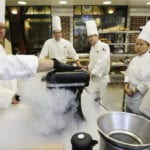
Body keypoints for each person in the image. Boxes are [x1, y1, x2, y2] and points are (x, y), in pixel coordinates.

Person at [0, 0, 80, 109]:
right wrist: (49, 65)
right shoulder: (48, 42)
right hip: (51, 68)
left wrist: (78, 65)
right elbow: (41, 57)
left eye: (3, 27)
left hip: (63, 68)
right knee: (55, 92)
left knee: (66, 92)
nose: (58, 34)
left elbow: (74, 55)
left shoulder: (66, 43)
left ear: (61, 32)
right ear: (53, 33)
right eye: (56, 33)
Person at [124, 21, 150, 118]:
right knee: (128, 118)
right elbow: (127, 74)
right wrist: (126, 87)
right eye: (136, 44)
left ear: (148, 46)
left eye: (141, 44)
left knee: (138, 122)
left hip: (139, 99)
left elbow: (147, 82)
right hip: (129, 97)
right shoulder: (134, 59)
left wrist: (134, 90)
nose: (138, 47)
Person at [85, 20, 110, 104]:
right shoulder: (92, 48)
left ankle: (100, 115)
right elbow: (93, 62)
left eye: (92, 36)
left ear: (97, 36)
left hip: (101, 79)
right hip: (94, 79)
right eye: (89, 37)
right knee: (93, 99)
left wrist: (91, 74)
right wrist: (87, 68)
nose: (90, 38)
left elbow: (101, 63)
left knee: (100, 101)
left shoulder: (104, 46)